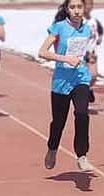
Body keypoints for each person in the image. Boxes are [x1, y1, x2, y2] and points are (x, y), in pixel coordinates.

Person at [38, 0, 93, 172]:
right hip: (61, 82)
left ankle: (82, 155)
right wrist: (65, 59)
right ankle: (52, 148)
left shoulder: (88, 29)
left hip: (81, 78)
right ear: (67, 9)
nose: (76, 11)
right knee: (58, 122)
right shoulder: (59, 27)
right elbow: (42, 52)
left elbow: (86, 52)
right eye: (72, 7)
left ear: (84, 8)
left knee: (82, 113)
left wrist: (90, 61)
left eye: (79, 7)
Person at [84, 0, 103, 110]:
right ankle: (83, 102)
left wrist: (99, 38)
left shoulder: (94, 21)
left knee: (94, 76)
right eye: (87, 4)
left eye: (91, 4)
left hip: (93, 53)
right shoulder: (80, 21)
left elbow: (100, 31)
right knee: (84, 78)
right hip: (82, 54)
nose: (89, 7)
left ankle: (89, 89)